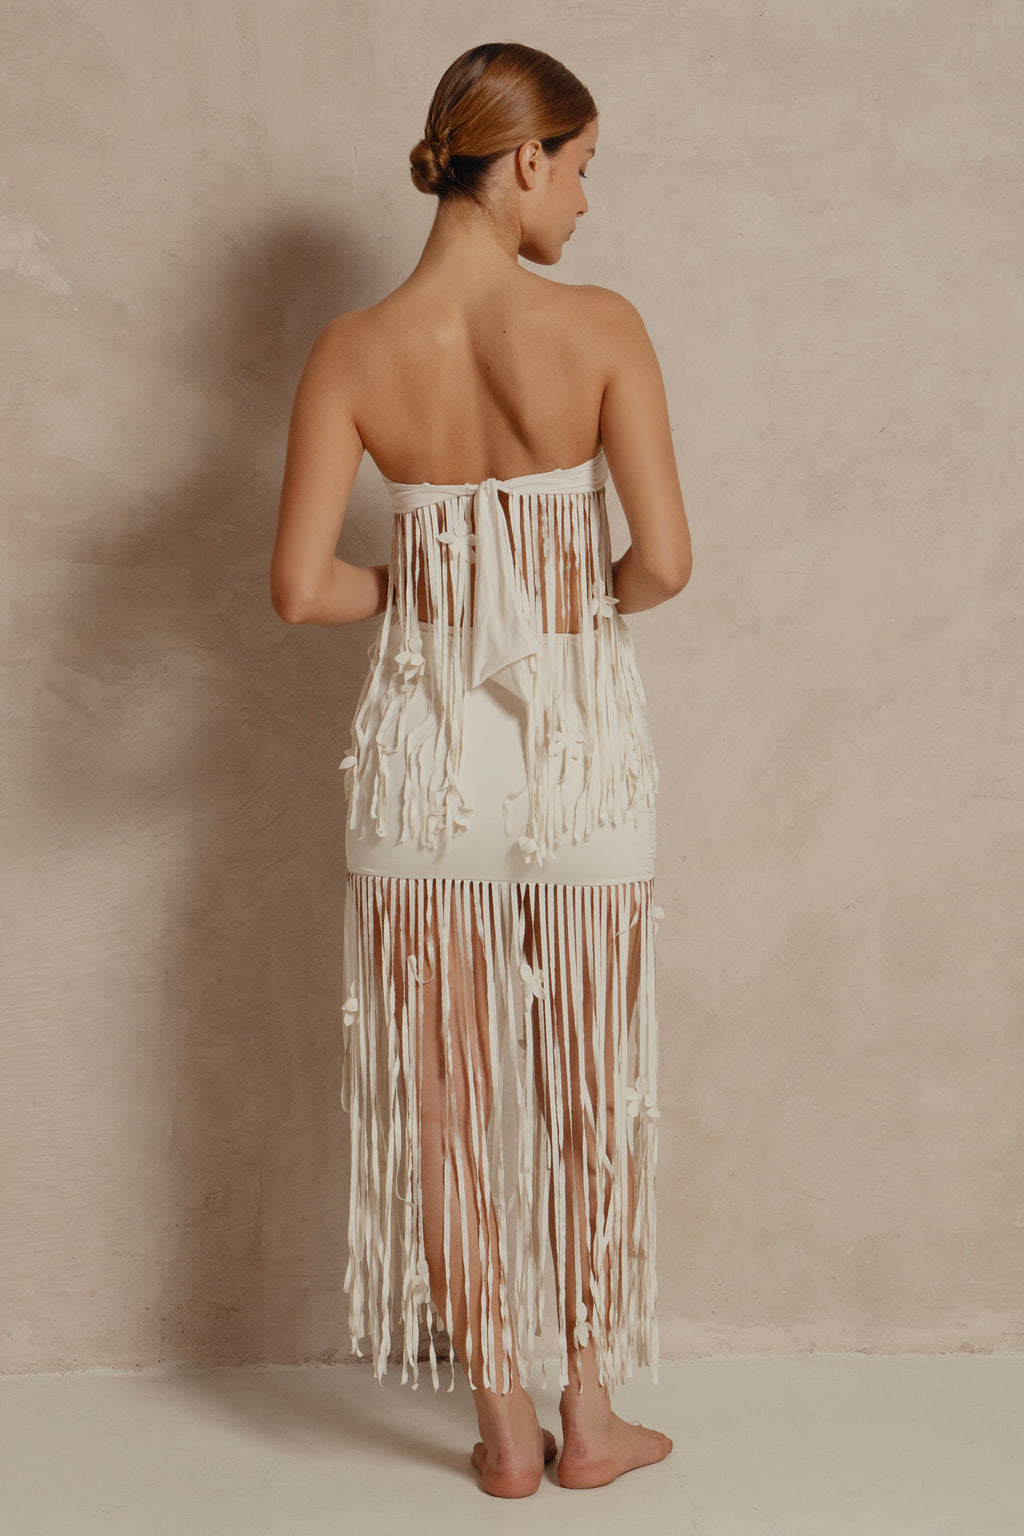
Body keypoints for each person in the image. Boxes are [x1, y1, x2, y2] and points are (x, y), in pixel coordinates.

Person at [270, 41, 692, 1499]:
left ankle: (500, 1432)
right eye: (579, 170)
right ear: (521, 160)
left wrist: (428, 593)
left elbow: (299, 588)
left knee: (444, 1103)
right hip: (577, 760)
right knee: (587, 1088)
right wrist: (561, 603)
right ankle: (589, 1415)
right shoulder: (603, 328)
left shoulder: (351, 350)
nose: (582, 200)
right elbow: (668, 564)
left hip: (424, 769)